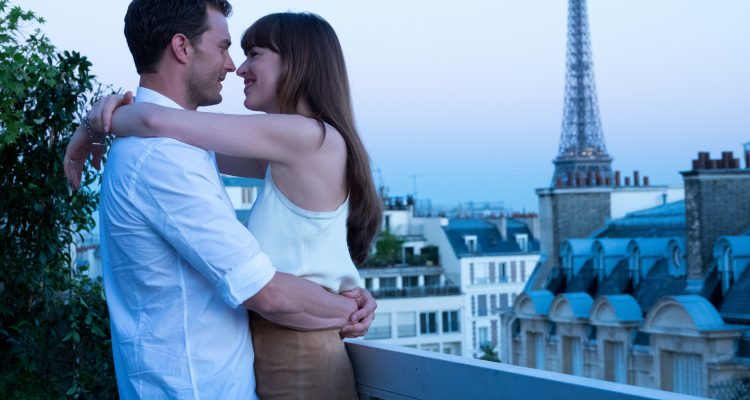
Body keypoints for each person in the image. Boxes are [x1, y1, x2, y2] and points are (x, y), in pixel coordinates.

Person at [63, 2, 377, 399]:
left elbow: (156, 120)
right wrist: (348, 306)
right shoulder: (166, 155)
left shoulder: (302, 137)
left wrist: (96, 125)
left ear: (296, 64)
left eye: (252, 54)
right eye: (225, 47)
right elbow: (265, 291)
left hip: (292, 350)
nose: (235, 66)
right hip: (213, 379)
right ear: (182, 47)